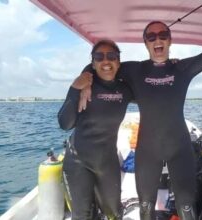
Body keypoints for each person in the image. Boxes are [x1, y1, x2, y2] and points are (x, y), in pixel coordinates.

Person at [79, 0, 202, 219]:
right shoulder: (135, 69)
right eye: (151, 37)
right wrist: (85, 79)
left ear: (170, 41)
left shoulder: (182, 68)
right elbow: (103, 62)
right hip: (147, 151)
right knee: (145, 207)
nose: (157, 39)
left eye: (163, 35)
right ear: (146, 43)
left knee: (187, 207)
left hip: (179, 149)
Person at [58, 39, 133, 220]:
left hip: (107, 162)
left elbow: (148, 83)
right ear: (93, 62)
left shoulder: (126, 90)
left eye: (112, 56)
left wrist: (169, 67)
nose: (105, 61)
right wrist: (75, 88)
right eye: (99, 57)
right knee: (83, 215)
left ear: (118, 61)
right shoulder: (84, 86)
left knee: (114, 213)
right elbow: (65, 123)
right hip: (78, 161)